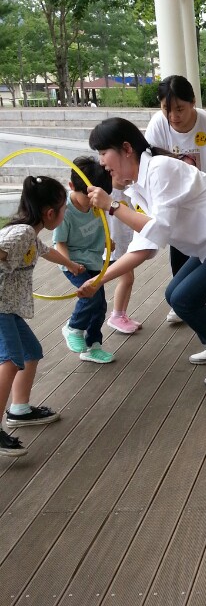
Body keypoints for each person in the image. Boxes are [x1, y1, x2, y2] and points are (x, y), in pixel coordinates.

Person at [79, 118, 206, 388]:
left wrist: (112, 206)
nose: (101, 162)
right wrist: (100, 279)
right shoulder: (138, 186)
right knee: (174, 294)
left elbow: (158, 230)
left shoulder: (161, 169)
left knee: (184, 299)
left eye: (103, 152)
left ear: (126, 148)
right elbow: (144, 246)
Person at [0, 176, 85, 457]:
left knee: (30, 352)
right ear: (50, 213)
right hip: (0, 307)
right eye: (64, 209)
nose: (64, 213)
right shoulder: (22, 232)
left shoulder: (30, 236)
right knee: (11, 359)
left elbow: (46, 251)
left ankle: (20, 409)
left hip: (8, 307)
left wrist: (71, 265)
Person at [145, 74, 206, 324]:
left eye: (180, 109)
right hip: (174, 198)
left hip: (204, 198)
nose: (173, 116)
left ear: (193, 102)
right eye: (167, 109)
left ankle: (204, 298)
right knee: (180, 249)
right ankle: (180, 301)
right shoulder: (158, 124)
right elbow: (148, 161)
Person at [53, 157, 116, 364]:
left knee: (100, 306)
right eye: (87, 197)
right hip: (74, 263)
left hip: (95, 261)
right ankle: (73, 327)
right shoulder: (65, 211)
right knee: (91, 297)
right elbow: (60, 242)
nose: (91, 202)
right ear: (72, 186)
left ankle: (93, 345)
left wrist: (107, 242)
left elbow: (101, 226)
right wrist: (70, 265)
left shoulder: (96, 202)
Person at [106, 187, 143, 335]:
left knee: (130, 279)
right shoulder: (107, 193)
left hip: (128, 241)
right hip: (115, 244)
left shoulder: (130, 190)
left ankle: (121, 314)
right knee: (126, 279)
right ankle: (116, 315)